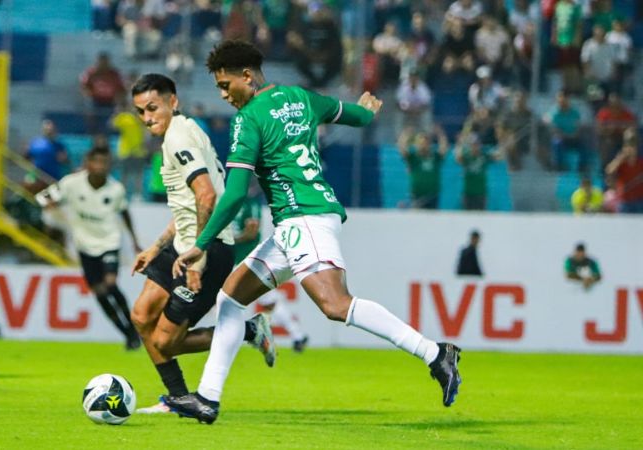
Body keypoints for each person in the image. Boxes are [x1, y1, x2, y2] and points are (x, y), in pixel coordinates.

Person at [167, 40, 462, 423]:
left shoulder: (250, 118)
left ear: (247, 76)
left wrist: (201, 244)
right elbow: (352, 115)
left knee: (336, 305)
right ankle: (207, 398)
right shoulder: (300, 98)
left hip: (302, 218)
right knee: (231, 298)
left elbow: (237, 192)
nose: (223, 95)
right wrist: (368, 114)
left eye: (226, 85)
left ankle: (436, 354)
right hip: (299, 222)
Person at [127, 74, 273, 414]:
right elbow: (189, 205)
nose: (147, 118)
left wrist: (198, 258)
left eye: (152, 108)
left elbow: (206, 196)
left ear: (172, 102)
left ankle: (246, 331)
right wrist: (157, 246)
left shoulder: (178, 139)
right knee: (141, 315)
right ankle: (178, 397)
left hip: (206, 251)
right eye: (140, 112)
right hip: (183, 245)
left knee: (166, 341)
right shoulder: (184, 132)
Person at [36, 146, 143, 349]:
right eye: (97, 162)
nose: (101, 167)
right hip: (84, 246)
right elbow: (43, 197)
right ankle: (127, 334)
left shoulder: (116, 189)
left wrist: (134, 240)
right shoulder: (71, 183)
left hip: (109, 242)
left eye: (105, 163)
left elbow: (124, 213)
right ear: (88, 164)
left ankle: (132, 327)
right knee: (100, 293)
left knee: (110, 284)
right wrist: (49, 204)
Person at [232, 180, 308, 352]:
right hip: (239, 260)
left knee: (264, 301)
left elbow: (251, 231)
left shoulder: (249, 204)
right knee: (267, 301)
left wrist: (229, 240)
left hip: (247, 261)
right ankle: (298, 336)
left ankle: (297, 336)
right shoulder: (237, 203)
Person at [398, 126, 450, 210]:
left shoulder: (435, 157)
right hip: (417, 195)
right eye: (421, 142)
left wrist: (441, 135)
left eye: (426, 142)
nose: (424, 145)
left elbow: (444, 149)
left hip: (432, 195)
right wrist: (405, 135)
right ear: (417, 144)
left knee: (432, 220)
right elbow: (402, 149)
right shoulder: (413, 157)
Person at [455, 132, 501, 211]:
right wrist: (460, 143)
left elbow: (498, 157)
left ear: (480, 145)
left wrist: (501, 142)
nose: (475, 146)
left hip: (481, 193)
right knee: (466, 218)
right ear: (470, 145)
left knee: (480, 218)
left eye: (477, 144)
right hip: (468, 193)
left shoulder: (484, 156)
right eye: (473, 144)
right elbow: (458, 159)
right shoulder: (467, 156)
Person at [605, 130, 643, 213]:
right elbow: (609, 171)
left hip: (640, 200)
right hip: (624, 200)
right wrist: (620, 158)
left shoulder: (640, 161)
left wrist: (633, 157)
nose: (631, 146)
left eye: (633, 143)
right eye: (629, 143)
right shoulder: (621, 161)